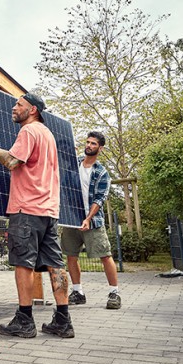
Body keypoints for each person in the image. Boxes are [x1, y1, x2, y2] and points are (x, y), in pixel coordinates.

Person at [0, 92, 74, 338]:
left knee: (23, 264)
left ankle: (24, 320)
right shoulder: (48, 135)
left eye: (19, 104)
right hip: (48, 210)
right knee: (56, 264)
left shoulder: (29, 132)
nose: (13, 107)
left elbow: (11, 162)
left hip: (27, 210)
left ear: (32, 110)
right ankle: (63, 320)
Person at [61, 131, 120, 309]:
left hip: (92, 221)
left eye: (93, 144)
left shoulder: (102, 173)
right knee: (71, 256)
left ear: (100, 148)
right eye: (87, 142)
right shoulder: (75, 163)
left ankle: (114, 293)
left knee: (105, 255)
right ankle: (78, 292)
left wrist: (88, 219)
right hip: (72, 218)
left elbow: (99, 199)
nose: (89, 145)